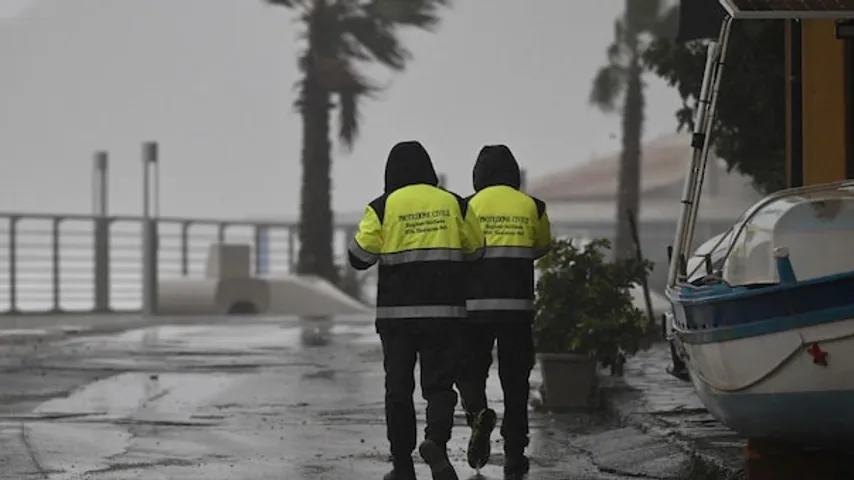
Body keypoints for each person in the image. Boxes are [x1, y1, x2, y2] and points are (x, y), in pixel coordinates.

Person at [348, 140, 484, 480]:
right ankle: (435, 441)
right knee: (439, 386)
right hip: (445, 315)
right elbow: (476, 249)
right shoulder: (455, 203)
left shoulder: (382, 207)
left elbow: (359, 257)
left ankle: (402, 464)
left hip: (397, 320)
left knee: (398, 389)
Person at [456, 144, 551, 479]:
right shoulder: (533, 206)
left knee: (469, 371)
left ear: (478, 175)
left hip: (475, 308)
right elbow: (541, 246)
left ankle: (479, 413)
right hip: (517, 308)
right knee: (515, 379)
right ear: (513, 173)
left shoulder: (467, 206)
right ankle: (514, 448)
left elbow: (461, 248)